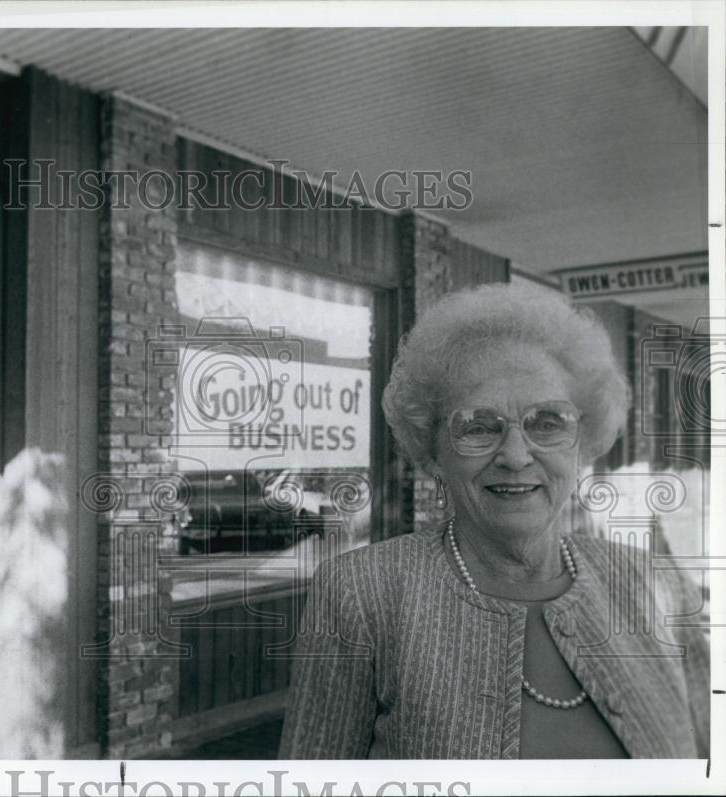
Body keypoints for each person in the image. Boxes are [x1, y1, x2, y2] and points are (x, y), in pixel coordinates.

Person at [279, 282, 709, 759]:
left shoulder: (654, 582)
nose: (515, 455)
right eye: (479, 426)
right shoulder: (363, 590)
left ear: (583, 443)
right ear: (434, 451)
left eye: (547, 422)